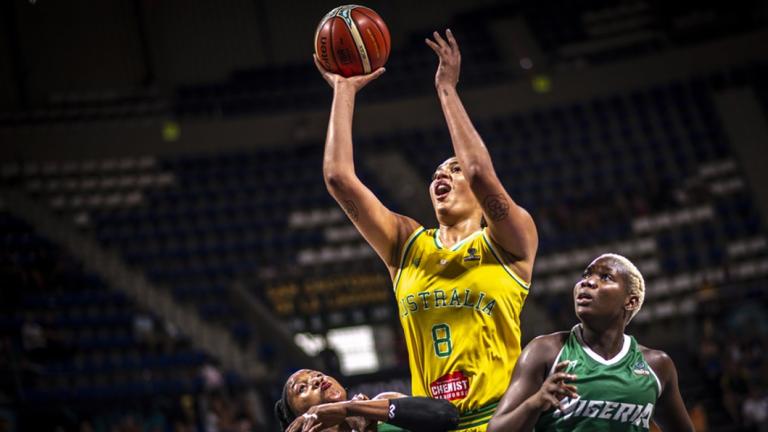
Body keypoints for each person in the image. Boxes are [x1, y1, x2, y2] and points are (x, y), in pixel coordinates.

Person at [314, 29, 538, 430]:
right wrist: (343, 90)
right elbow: (337, 178)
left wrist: (447, 89)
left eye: (452, 170)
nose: (444, 175)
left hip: (503, 420)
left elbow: (478, 170)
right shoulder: (406, 245)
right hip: (432, 422)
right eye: (437, 172)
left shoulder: (510, 241)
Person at [487, 254, 694, 432]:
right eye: (586, 275)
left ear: (630, 301)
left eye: (605, 277)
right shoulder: (545, 351)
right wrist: (536, 402)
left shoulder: (657, 366)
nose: (587, 282)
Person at [274, 368, 459, 431]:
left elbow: (446, 415)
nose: (317, 379)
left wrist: (354, 408)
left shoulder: (381, 405)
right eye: (302, 388)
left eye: (317, 374)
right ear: (299, 418)